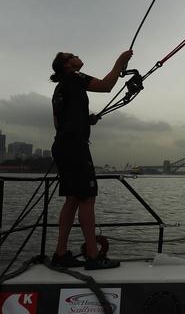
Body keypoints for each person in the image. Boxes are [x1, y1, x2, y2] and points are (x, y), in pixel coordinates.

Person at [49, 50, 133, 270]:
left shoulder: (60, 88)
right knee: (87, 198)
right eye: (72, 56)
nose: (77, 56)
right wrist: (120, 62)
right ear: (67, 65)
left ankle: (60, 254)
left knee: (73, 199)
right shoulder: (76, 78)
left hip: (62, 146)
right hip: (76, 147)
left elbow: (59, 123)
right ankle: (94, 257)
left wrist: (86, 120)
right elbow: (106, 86)